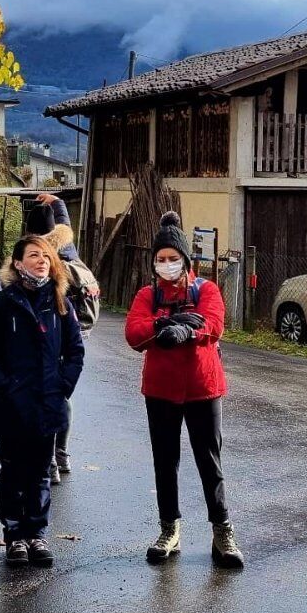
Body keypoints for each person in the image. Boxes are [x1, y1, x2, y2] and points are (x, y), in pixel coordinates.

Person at [125, 212, 244, 569]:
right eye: (160, 259)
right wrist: (166, 321)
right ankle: (169, 529)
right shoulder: (148, 294)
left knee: (210, 461)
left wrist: (188, 332)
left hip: (203, 388)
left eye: (172, 259)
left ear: (185, 261)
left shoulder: (205, 289)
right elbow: (134, 333)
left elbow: (214, 324)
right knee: (166, 461)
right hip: (160, 390)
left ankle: (222, 530)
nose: (167, 265)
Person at [0, 235, 85, 566]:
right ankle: (14, 536)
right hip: (13, 405)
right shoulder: (1, 305)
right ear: (18, 263)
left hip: (48, 402)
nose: (41, 261)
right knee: (11, 473)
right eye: (34, 256)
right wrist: (4, 386)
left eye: (46, 257)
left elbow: (75, 351)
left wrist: (63, 386)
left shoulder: (61, 304)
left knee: (39, 473)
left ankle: (37, 535)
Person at [25, 192, 100, 482]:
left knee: (47, 397)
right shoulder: (68, 250)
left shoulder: (46, 262)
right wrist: (56, 203)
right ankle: (62, 454)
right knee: (63, 395)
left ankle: (49, 462)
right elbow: (64, 223)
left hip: (52, 338)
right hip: (78, 334)